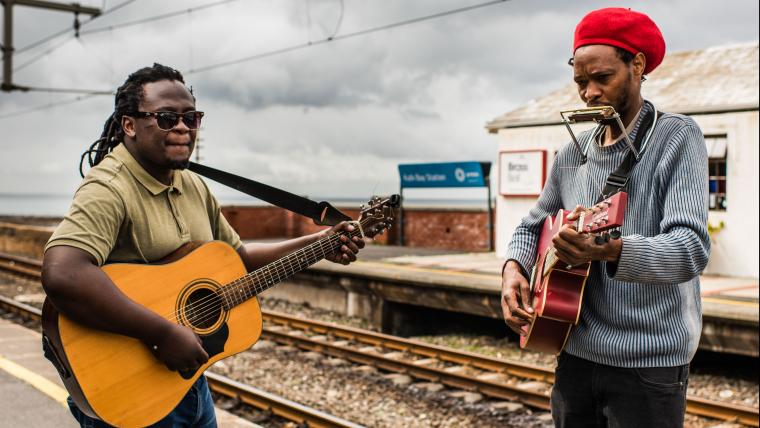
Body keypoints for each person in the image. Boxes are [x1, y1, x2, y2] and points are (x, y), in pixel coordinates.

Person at [41, 63, 365, 427]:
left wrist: (319, 243)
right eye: (165, 117)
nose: (181, 127)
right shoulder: (109, 188)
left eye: (190, 118)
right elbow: (63, 273)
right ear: (129, 125)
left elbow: (236, 259)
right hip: (132, 394)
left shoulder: (193, 185)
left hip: (188, 383)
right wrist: (162, 332)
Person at [500, 8, 709, 427]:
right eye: (580, 82)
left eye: (602, 78)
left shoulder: (678, 137)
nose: (589, 93)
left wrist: (607, 250)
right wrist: (513, 269)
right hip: (572, 351)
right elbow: (534, 224)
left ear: (637, 65)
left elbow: (690, 249)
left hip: (648, 363)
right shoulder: (572, 153)